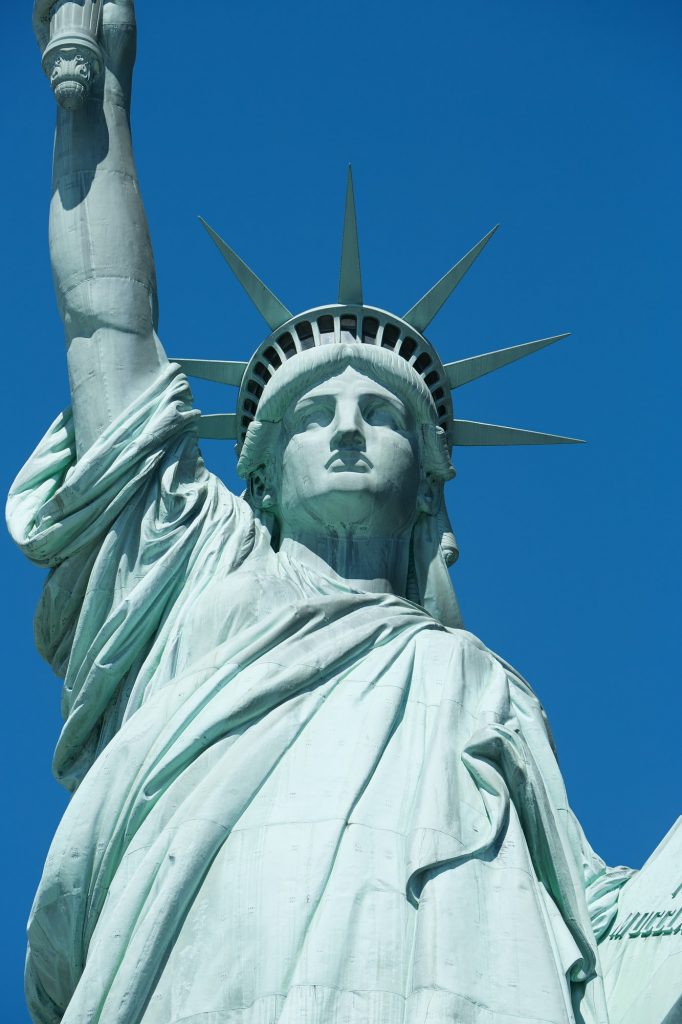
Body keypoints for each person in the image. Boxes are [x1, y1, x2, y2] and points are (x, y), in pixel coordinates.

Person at [8, 2, 633, 1022]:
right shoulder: (195, 579)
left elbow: (591, 921)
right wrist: (101, 109)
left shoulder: (478, 683)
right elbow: (105, 323)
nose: (346, 431)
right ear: (256, 474)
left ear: (428, 482)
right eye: (314, 416)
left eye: (379, 415)